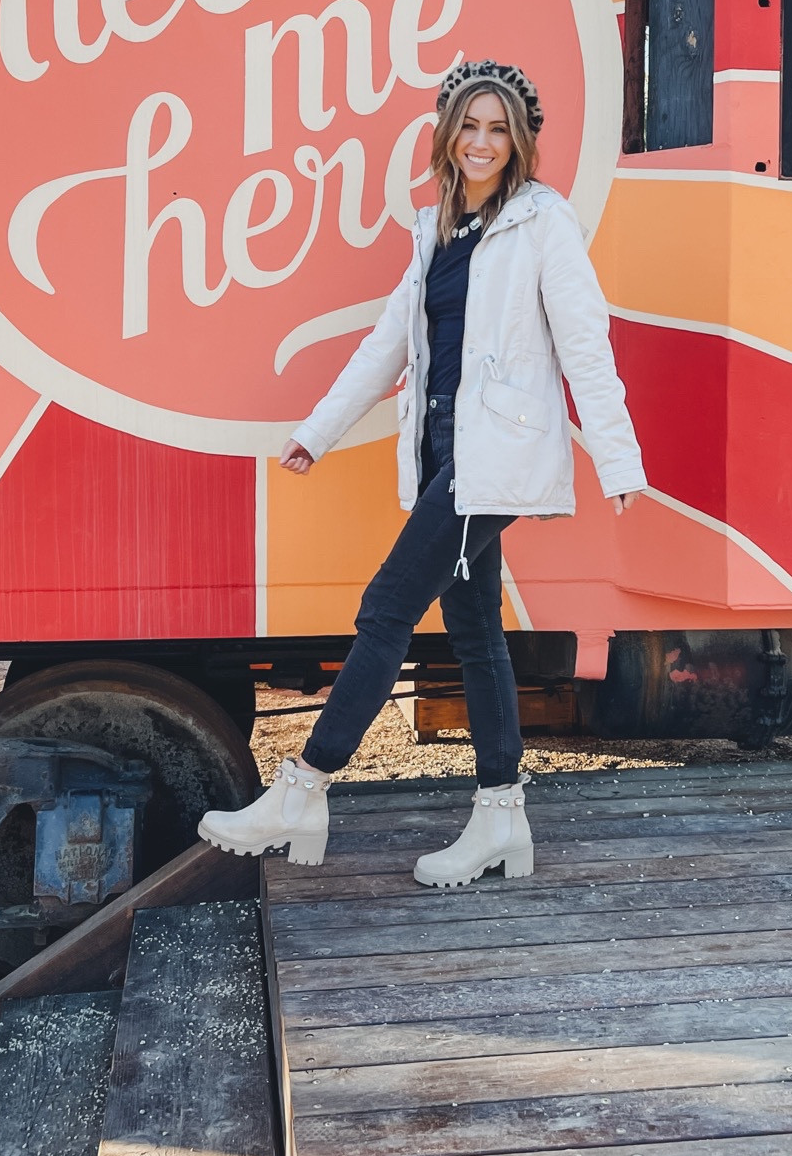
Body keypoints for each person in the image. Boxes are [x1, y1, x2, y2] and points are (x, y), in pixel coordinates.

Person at [199, 59, 646, 888]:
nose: (482, 143)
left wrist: (617, 456)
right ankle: (500, 820)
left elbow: (586, 344)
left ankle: (305, 789)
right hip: (445, 453)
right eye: (469, 127)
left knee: (387, 607)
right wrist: (318, 431)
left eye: (498, 128)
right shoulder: (434, 225)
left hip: (495, 457)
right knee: (475, 634)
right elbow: (390, 344)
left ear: (518, 142)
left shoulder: (543, 222)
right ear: (448, 135)